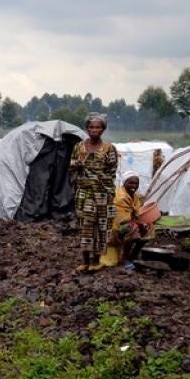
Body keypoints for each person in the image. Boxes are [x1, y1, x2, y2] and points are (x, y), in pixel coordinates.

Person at [69, 114, 118, 273]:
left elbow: (111, 172)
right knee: (86, 227)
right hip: (84, 194)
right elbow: (71, 167)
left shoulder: (109, 149)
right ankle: (84, 261)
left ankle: (96, 261)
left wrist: (97, 178)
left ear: (103, 129)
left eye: (98, 127)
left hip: (102, 194)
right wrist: (79, 165)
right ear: (87, 128)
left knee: (101, 228)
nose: (94, 130)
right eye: (91, 127)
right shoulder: (78, 147)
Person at [111, 171, 154, 270]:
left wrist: (143, 225)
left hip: (127, 222)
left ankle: (133, 256)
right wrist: (140, 225)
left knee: (149, 228)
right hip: (114, 226)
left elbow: (136, 214)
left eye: (136, 183)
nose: (134, 185)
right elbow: (122, 219)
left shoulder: (134, 196)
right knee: (132, 229)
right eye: (131, 183)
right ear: (125, 182)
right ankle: (125, 258)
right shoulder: (121, 196)